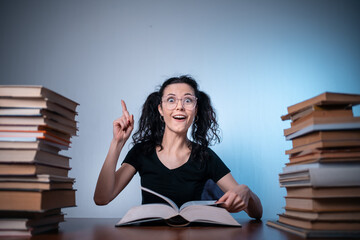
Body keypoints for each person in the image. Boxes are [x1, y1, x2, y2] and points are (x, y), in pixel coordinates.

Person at [94, 75, 263, 219]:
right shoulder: (141, 152)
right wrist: (117, 143)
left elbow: (257, 213)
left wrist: (246, 192)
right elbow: (102, 198)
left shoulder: (206, 156)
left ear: (195, 110)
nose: (179, 106)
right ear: (160, 109)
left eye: (188, 100)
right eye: (171, 100)